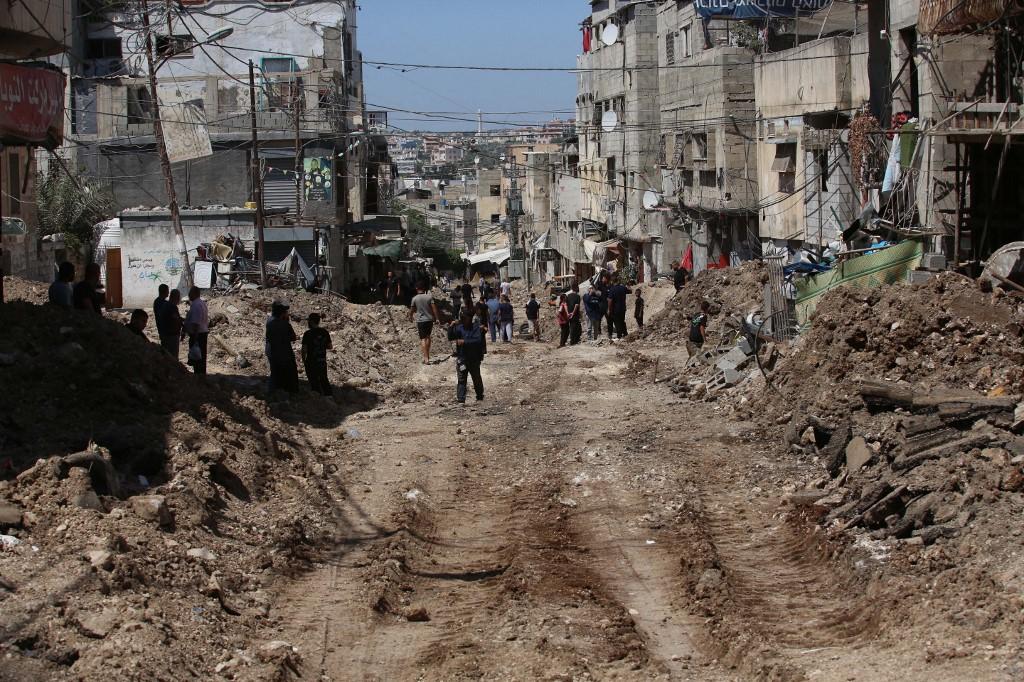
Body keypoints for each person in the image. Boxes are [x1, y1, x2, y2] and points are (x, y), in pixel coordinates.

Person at [447, 308, 487, 403]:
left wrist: (465, 342)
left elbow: (477, 341)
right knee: (461, 379)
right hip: (462, 358)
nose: (465, 320)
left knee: (476, 378)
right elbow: (450, 337)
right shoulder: (459, 328)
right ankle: (461, 399)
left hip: (474, 358)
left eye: (466, 318)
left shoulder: (476, 327)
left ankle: (480, 396)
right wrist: (451, 327)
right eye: (463, 318)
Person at [266, 300, 298, 392]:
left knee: (275, 372)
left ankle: (273, 391)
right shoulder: (284, 324)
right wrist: (287, 322)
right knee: (288, 373)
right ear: (282, 313)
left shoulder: (269, 321)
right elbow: (293, 337)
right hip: (283, 353)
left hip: (271, 352)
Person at [408, 281, 440, 364]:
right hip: (429, 320)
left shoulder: (414, 298)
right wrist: (437, 318)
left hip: (421, 321)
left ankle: (426, 358)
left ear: (416, 288)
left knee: (422, 339)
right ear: (424, 288)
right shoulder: (429, 297)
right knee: (428, 337)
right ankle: (428, 355)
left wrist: (410, 317)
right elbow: (434, 308)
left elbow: (412, 310)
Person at [301, 313, 333, 396]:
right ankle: (329, 397)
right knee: (324, 380)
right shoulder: (324, 332)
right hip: (322, 360)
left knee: (314, 382)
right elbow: (330, 346)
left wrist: (304, 361)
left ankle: (318, 401)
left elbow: (304, 350)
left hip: (311, 361)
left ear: (311, 322)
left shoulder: (307, 334)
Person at [183, 286, 209, 375]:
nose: (189, 295)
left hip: (198, 334)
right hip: (202, 333)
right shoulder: (201, 303)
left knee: (197, 358)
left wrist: (194, 338)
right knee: (201, 358)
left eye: (190, 293)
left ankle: (199, 377)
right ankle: (201, 376)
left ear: (194, 294)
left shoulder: (196, 305)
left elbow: (196, 323)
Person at [157, 289, 184, 357]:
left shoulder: (167, 305)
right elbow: (176, 319)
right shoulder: (171, 306)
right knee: (172, 357)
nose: (179, 298)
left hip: (167, 335)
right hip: (171, 337)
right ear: (176, 297)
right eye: (178, 297)